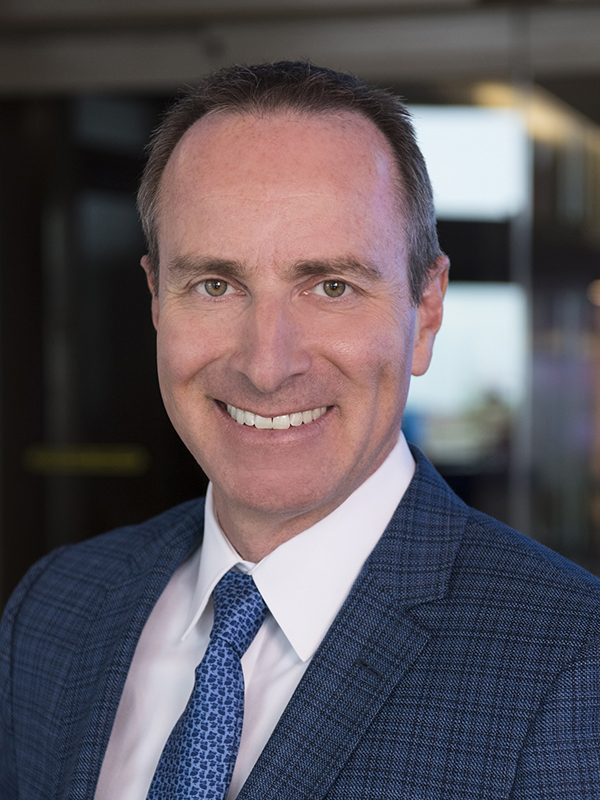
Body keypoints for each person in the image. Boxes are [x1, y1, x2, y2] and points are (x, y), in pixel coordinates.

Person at [2, 61, 600, 800]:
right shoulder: (54, 609)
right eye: (216, 285)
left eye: (331, 286)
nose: (266, 364)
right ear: (157, 299)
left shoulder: (572, 667)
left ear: (428, 311)